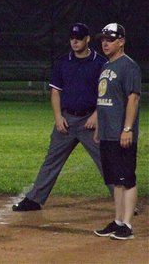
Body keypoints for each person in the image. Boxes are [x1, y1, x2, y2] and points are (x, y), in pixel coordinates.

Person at [13, 23, 113, 212]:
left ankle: (123, 201)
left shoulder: (101, 63)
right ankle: (34, 200)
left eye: (79, 38)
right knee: (51, 161)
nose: (75, 41)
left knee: (105, 161)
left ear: (87, 39)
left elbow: (106, 94)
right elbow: (56, 92)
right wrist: (58, 117)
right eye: (72, 38)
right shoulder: (62, 62)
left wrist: (96, 115)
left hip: (90, 122)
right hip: (67, 120)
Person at [93, 23, 141, 240]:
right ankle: (118, 220)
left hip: (121, 132)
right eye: (103, 39)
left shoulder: (128, 66)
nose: (105, 42)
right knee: (115, 180)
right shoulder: (106, 66)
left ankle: (128, 225)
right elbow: (104, 100)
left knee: (127, 178)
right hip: (107, 132)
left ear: (121, 41)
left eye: (110, 39)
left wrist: (127, 128)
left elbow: (133, 98)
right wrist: (100, 129)